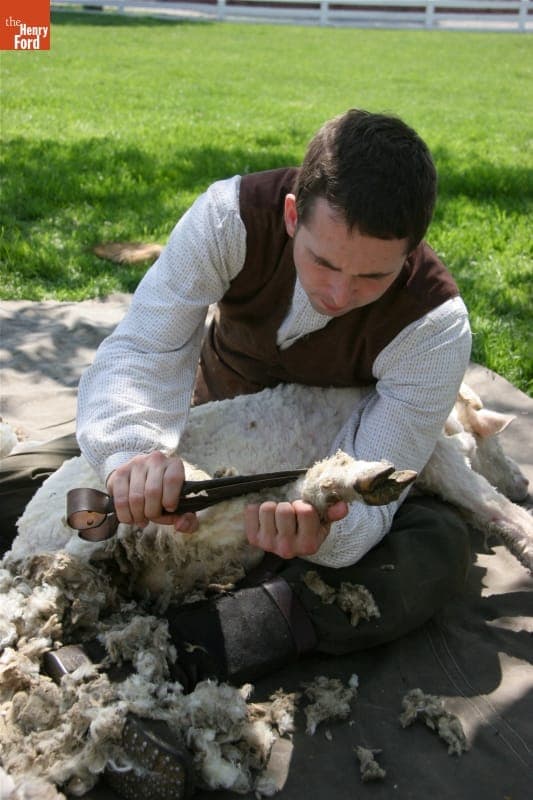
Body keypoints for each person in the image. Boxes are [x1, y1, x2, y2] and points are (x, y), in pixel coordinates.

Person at [1, 109, 472, 797]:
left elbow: (381, 479)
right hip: (198, 424)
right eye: (322, 261)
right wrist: (134, 453)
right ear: (290, 215)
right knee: (48, 479)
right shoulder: (229, 218)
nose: (339, 294)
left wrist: (327, 532)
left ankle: (179, 646)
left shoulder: (433, 327)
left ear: (412, 250)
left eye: (371, 278)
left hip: (315, 466)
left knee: (439, 545)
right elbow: (144, 350)